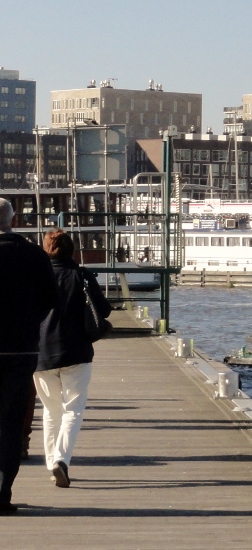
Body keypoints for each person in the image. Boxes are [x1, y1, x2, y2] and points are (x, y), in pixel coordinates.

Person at [33, 229, 112, 489]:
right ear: (72, 250)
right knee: (73, 410)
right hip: (76, 351)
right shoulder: (82, 276)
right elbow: (104, 310)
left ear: (46, 249)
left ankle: (51, 463)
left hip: (41, 353)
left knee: (50, 410)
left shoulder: (37, 277)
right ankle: (61, 460)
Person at [0, 198, 57, 514]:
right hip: (21, 349)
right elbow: (50, 300)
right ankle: (3, 491)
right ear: (13, 220)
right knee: (10, 422)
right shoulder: (35, 255)